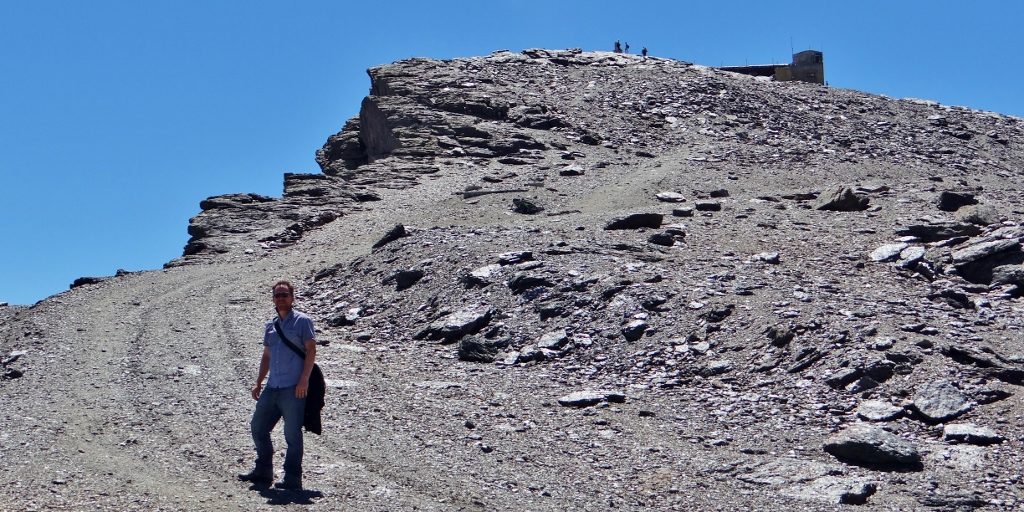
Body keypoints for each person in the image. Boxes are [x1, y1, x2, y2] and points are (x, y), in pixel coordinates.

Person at [238, 280, 317, 490]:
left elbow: (311, 350)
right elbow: (266, 356)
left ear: (292, 297)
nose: (280, 298)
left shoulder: (303, 321)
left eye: (284, 294)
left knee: (292, 435)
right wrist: (258, 382)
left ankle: (292, 479)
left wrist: (304, 380)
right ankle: (263, 471)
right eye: (277, 295)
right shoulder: (270, 326)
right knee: (258, 428)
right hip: (272, 387)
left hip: (294, 389)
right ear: (273, 298)